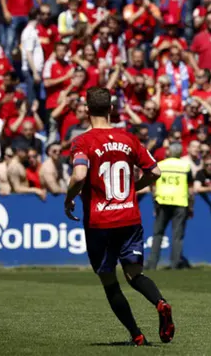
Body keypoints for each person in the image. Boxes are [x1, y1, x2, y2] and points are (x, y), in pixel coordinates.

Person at [63, 87, 174, 345]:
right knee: (134, 275)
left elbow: (79, 175)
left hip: (99, 222)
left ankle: (137, 335)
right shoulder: (129, 138)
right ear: (112, 109)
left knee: (110, 282)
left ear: (87, 111)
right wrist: (134, 187)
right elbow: (155, 172)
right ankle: (160, 302)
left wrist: (69, 198)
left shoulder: (83, 141)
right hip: (129, 218)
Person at [147, 142, 194, 270]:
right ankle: (175, 264)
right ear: (180, 153)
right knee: (177, 235)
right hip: (180, 203)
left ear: (169, 152)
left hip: (162, 202)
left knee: (157, 234)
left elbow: (153, 187)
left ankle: (152, 264)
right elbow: (190, 190)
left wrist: (155, 203)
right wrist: (191, 206)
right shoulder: (185, 166)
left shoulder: (160, 165)